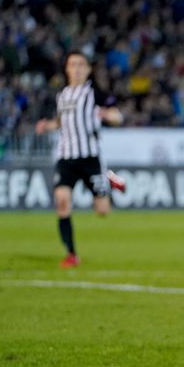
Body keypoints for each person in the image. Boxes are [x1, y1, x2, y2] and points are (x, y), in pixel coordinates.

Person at [35, 51, 127, 268]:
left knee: (102, 210)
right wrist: (47, 125)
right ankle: (71, 254)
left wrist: (110, 116)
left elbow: (117, 115)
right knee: (62, 201)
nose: (76, 69)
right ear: (67, 69)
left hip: (90, 159)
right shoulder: (62, 95)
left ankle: (111, 183)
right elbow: (60, 122)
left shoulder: (95, 93)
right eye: (72, 65)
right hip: (66, 157)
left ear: (87, 70)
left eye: (80, 65)